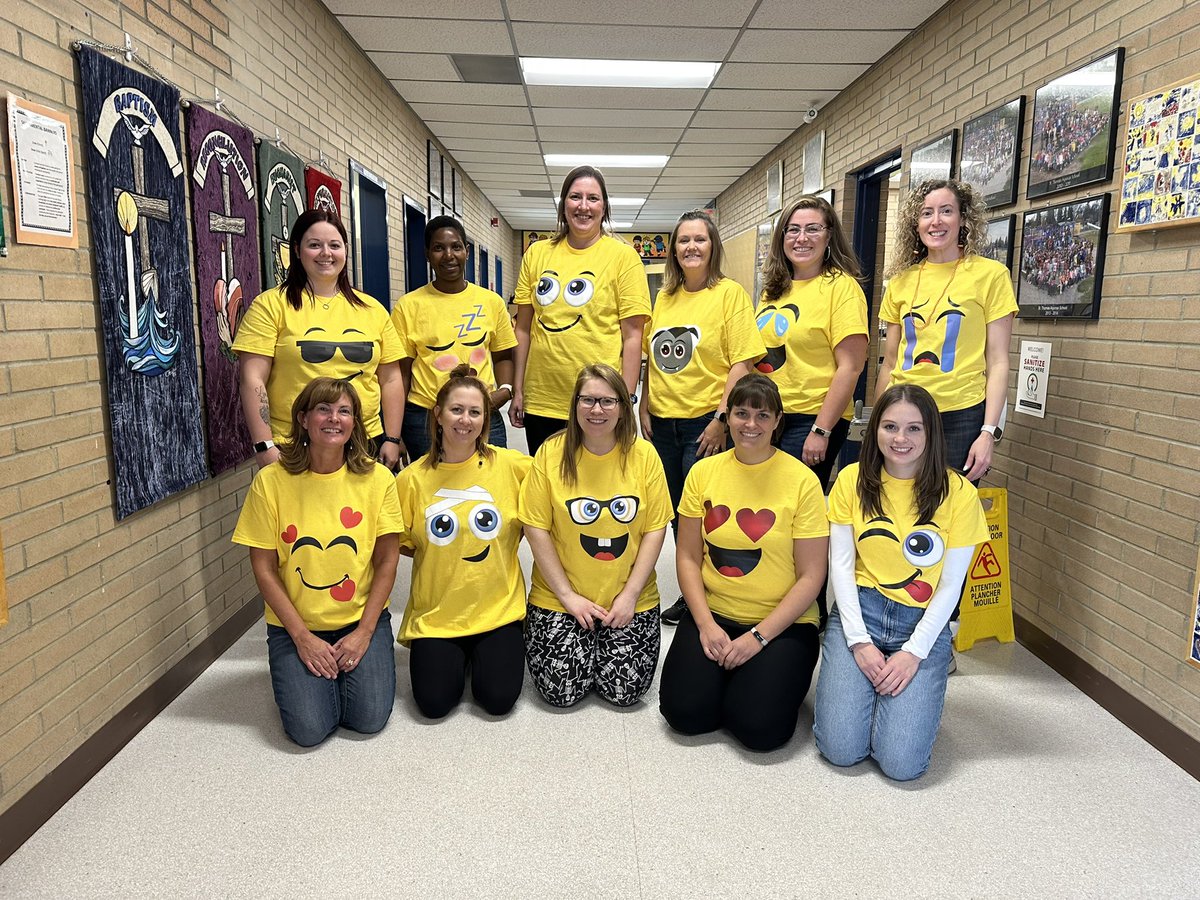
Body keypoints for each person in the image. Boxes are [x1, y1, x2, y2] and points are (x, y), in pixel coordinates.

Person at [813, 384, 987, 780]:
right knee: (841, 751)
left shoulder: (958, 492)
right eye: (890, 426)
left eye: (914, 429)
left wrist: (914, 652)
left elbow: (950, 585)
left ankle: (896, 699)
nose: (900, 439)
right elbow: (840, 565)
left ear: (931, 434)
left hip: (921, 620)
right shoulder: (853, 479)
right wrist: (858, 642)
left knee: (902, 765)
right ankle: (870, 692)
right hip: (862, 609)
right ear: (874, 430)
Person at [658, 374, 829, 752]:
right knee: (684, 715)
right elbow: (687, 555)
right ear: (728, 417)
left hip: (782, 624)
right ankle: (737, 681)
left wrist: (758, 638)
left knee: (759, 730)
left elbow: (812, 575)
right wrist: (704, 625)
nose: (750, 424)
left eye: (762, 415)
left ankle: (766, 678)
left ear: (777, 422)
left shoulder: (802, 481)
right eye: (741, 413)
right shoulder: (703, 472)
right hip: (716, 613)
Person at [232, 377, 402, 747]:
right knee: (309, 730)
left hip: (360, 619)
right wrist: (302, 638)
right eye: (323, 409)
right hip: (297, 625)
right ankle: (309, 668)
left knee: (368, 719)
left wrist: (364, 634)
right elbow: (263, 568)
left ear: (355, 422)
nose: (333, 418)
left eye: (344, 411)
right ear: (304, 418)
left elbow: (388, 562)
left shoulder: (378, 481)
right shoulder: (271, 481)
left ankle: (343, 665)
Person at [519, 363, 671, 707]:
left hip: (629, 598)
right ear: (574, 405)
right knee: (561, 693)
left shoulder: (644, 455)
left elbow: (655, 528)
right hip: (560, 596)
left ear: (623, 406)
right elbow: (535, 527)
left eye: (607, 401)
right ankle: (582, 638)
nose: (596, 410)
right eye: (587, 400)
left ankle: (597, 641)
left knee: (623, 693)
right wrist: (567, 596)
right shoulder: (551, 453)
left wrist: (631, 595)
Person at [640, 210, 765, 627]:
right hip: (662, 421)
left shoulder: (729, 294)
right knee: (678, 513)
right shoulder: (665, 296)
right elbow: (652, 360)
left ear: (713, 247)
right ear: (673, 250)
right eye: (683, 240)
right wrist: (643, 405)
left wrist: (720, 418)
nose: (691, 247)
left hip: (703, 423)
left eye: (700, 240)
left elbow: (742, 361)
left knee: (705, 513)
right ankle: (692, 593)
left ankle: (714, 595)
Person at [394, 365, 531, 718]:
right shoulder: (411, 480)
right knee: (434, 704)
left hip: (497, 611)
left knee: (498, 700)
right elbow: (405, 544)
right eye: (456, 410)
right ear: (437, 414)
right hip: (438, 614)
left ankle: (485, 652)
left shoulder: (513, 467)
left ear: (486, 420)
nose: (465, 420)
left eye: (475, 412)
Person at [234, 209, 406, 471]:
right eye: (314, 245)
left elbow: (391, 378)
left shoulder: (372, 309)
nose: (326, 253)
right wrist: (264, 445)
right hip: (295, 443)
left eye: (334, 245)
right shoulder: (270, 306)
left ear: (345, 251)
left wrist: (392, 438)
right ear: (296, 250)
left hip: (364, 441)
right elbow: (252, 378)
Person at [874, 179, 1017, 482]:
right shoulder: (900, 281)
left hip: (961, 416)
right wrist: (878, 419)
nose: (936, 221)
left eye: (946, 211)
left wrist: (988, 432)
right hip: (904, 412)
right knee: (899, 505)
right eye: (927, 213)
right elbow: (889, 362)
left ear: (963, 219)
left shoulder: (990, 275)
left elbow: (999, 361)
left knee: (950, 515)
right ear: (916, 223)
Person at [510, 166, 651, 456]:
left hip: (599, 401)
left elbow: (633, 336)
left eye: (593, 198)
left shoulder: (623, 257)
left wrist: (625, 400)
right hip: (543, 398)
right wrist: (518, 389)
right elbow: (523, 328)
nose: (583, 206)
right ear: (563, 205)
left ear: (604, 207)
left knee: (594, 488)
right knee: (548, 485)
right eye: (575, 197)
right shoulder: (537, 253)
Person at [755, 196, 867, 490]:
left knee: (792, 504)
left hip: (811, 417)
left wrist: (822, 429)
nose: (801, 238)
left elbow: (851, 367)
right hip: (768, 413)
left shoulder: (842, 288)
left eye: (812, 229)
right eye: (792, 230)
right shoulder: (773, 290)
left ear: (829, 235)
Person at [391, 216, 516, 461]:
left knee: (491, 482)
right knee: (432, 490)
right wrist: (394, 433)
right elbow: (400, 374)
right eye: (439, 248)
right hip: (424, 417)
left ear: (466, 252)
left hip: (482, 412)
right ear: (428, 254)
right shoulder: (408, 306)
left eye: (456, 247)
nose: (448, 255)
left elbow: (503, 355)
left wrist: (506, 390)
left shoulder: (490, 302)